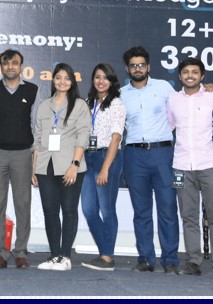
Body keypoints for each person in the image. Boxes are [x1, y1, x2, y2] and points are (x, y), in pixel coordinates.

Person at [166, 57, 213, 277]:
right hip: (181, 165)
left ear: (202, 75)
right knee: (188, 216)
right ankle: (193, 261)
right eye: (186, 72)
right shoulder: (173, 99)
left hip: (209, 163)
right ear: (180, 76)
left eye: (195, 72)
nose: (190, 76)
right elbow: (169, 126)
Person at [118, 45, 179, 273]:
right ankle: (145, 258)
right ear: (127, 69)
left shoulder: (164, 88)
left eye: (141, 65)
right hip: (134, 155)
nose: (137, 69)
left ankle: (170, 260)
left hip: (162, 153)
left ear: (148, 67)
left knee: (167, 208)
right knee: (141, 211)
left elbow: (180, 111)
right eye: (133, 66)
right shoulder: (121, 94)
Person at [0, 49, 39, 270]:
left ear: (21, 66)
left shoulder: (32, 90)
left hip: (23, 153)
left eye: (14, 63)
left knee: (23, 203)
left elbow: (35, 123)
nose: (10, 67)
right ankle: (0, 251)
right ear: (1, 67)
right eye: (6, 63)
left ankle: (20, 250)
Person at [33, 63, 89, 272]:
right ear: (53, 80)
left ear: (72, 82)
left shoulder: (80, 105)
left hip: (69, 165)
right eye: (58, 77)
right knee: (50, 211)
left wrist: (74, 165)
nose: (62, 81)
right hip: (45, 165)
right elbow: (37, 139)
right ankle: (54, 254)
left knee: (69, 210)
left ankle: (65, 256)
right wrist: (34, 168)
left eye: (67, 78)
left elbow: (83, 136)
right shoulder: (43, 106)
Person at [79, 63, 125, 272]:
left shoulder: (116, 104)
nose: (101, 81)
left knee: (107, 209)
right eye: (97, 77)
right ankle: (104, 252)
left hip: (108, 157)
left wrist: (106, 167)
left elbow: (116, 138)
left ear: (111, 81)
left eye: (105, 77)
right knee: (89, 209)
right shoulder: (89, 103)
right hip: (88, 157)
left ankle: (107, 256)